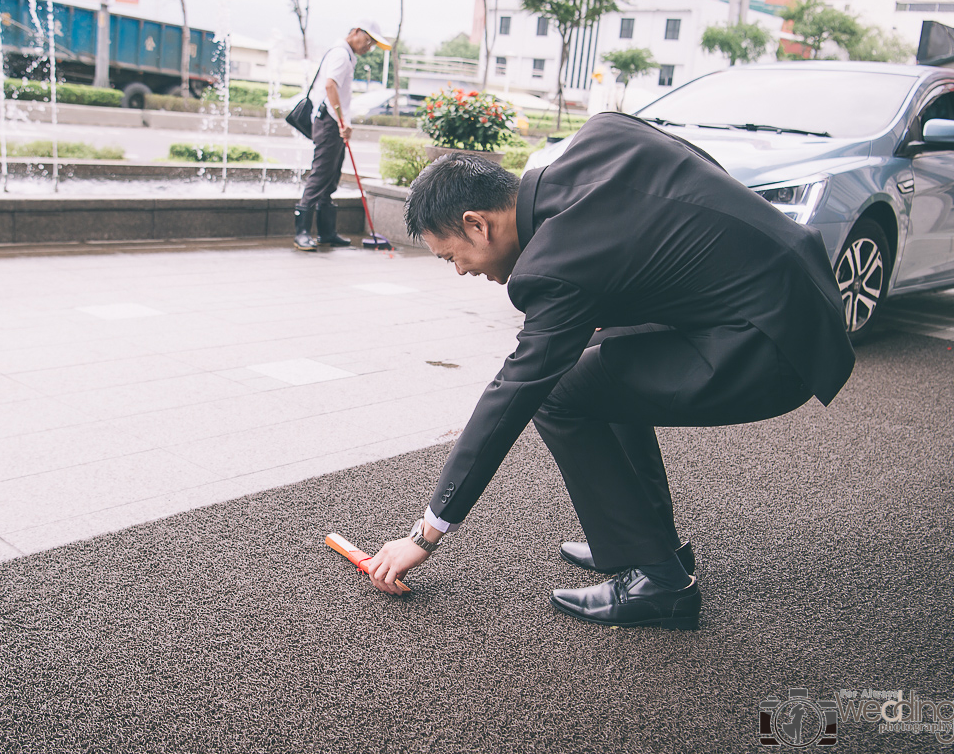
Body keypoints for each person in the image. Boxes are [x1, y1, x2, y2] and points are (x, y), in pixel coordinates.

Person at [365, 113, 856, 629]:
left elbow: (515, 389)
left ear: (476, 223)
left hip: (773, 349)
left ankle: (660, 583)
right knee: (599, 359)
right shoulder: (604, 135)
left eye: (452, 259)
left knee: (557, 391)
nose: (462, 271)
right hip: (799, 297)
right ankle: (652, 545)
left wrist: (426, 532)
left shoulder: (556, 261)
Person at [294, 20, 391, 252]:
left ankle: (327, 232)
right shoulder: (340, 54)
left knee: (331, 175)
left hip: (332, 122)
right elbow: (330, 86)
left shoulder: (347, 55)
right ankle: (302, 233)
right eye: (368, 40)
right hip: (329, 122)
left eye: (372, 44)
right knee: (321, 175)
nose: (369, 47)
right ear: (355, 32)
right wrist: (342, 121)